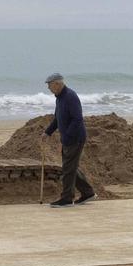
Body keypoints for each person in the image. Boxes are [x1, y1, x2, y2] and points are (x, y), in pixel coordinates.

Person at [43, 73, 96, 207]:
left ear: (57, 84)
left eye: (49, 85)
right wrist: (47, 132)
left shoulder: (70, 96)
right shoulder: (59, 98)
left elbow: (77, 119)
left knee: (68, 169)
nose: (49, 88)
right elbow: (57, 118)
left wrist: (67, 136)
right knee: (71, 167)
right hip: (68, 139)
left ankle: (67, 198)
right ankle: (88, 193)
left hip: (75, 138)